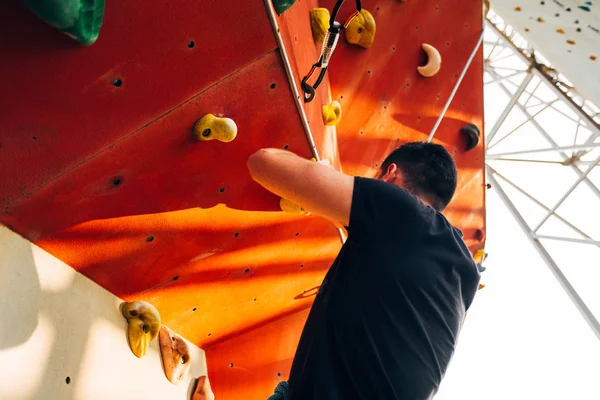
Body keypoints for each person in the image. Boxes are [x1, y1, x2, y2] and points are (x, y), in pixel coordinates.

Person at [247, 141, 481, 400]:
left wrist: (322, 176)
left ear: (390, 174)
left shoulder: (401, 210)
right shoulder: (465, 272)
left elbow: (263, 162)